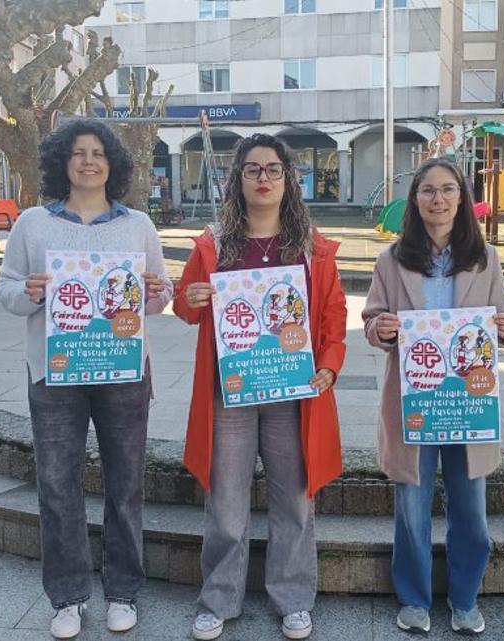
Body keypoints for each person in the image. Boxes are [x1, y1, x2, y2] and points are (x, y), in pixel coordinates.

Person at [0, 118, 172, 639]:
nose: (89, 161)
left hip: (123, 370)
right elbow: (5, 289)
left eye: (98, 153)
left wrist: (156, 291)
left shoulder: (138, 224)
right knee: (56, 484)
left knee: (126, 484)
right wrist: (27, 292)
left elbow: (160, 297)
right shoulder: (33, 224)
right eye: (78, 153)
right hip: (54, 373)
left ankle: (123, 591)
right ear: (62, 162)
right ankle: (68, 597)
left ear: (112, 163)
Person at [173, 133, 348, 641]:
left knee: (293, 500)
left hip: (292, 393)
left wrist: (329, 365)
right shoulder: (213, 244)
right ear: (238, 179)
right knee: (226, 501)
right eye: (252, 169)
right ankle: (218, 599)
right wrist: (192, 297)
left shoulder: (313, 248)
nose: (263, 178)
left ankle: (293, 599)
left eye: (273, 169)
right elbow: (184, 307)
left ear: (289, 180)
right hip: (230, 392)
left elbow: (334, 315)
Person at [362, 157, 504, 636]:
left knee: (471, 508)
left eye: (449, 189)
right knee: (412, 507)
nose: (439, 199)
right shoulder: (391, 260)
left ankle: (465, 598)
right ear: (415, 200)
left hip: (468, 400)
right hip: (415, 399)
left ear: (462, 198)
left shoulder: (485, 258)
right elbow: (371, 319)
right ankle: (414, 597)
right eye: (428, 190)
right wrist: (382, 328)